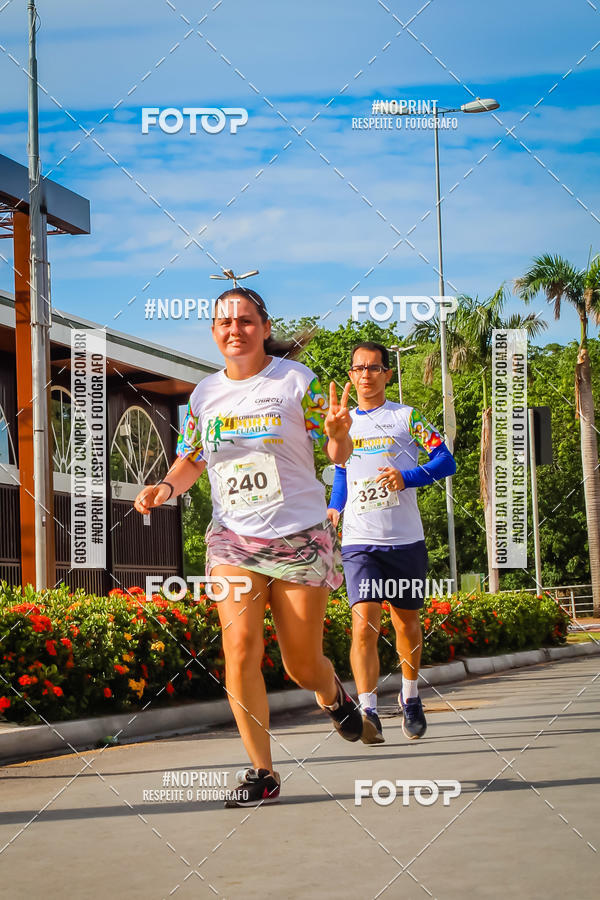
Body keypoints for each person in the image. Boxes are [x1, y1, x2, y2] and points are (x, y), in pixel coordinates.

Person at [134, 287, 364, 807]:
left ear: (263, 326)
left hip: (299, 535)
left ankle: (331, 694)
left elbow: (336, 451)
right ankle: (262, 772)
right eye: (224, 322)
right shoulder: (203, 395)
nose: (233, 329)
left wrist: (338, 435)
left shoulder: (294, 382)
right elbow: (191, 458)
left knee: (300, 665)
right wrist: (164, 488)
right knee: (239, 649)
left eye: (244, 320)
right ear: (214, 332)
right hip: (232, 540)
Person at [327, 341, 456, 743]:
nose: (365, 374)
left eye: (374, 367)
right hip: (360, 542)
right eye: (358, 368)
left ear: (387, 373)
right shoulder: (343, 423)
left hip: (405, 540)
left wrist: (407, 477)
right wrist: (335, 508)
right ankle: (367, 707)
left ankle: (410, 696)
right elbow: (343, 475)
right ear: (351, 375)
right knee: (363, 623)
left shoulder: (407, 417)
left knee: (406, 623)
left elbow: (446, 460)